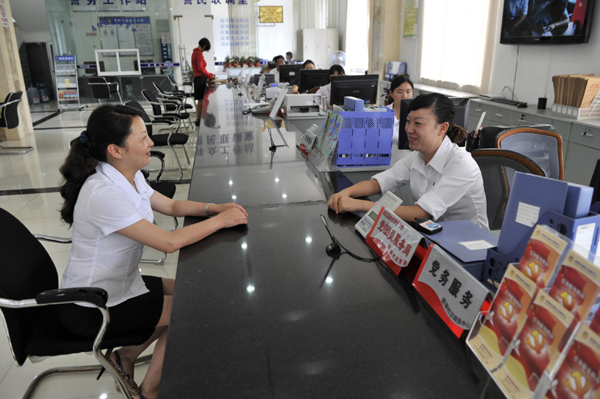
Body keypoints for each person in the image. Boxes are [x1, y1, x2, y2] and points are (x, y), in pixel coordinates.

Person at [57, 105, 248, 399]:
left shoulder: (128, 175)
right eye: (143, 137)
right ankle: (151, 391)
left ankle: (127, 354)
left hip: (119, 285)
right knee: (191, 308)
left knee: (193, 291)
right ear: (116, 150)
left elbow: (172, 206)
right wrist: (221, 221)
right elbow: (168, 242)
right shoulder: (103, 193)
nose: (151, 142)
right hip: (91, 306)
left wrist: (215, 208)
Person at [328, 93, 489, 229]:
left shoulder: (461, 164)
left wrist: (358, 205)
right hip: (433, 237)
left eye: (418, 123)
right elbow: (379, 183)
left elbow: (420, 214)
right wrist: (344, 193)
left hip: (466, 248)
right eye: (408, 121)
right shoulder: (418, 156)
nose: (409, 129)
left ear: (442, 128)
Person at [192, 38, 215, 127]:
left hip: (198, 78)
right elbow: (201, 68)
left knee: (200, 100)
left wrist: (208, 75)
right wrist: (209, 75)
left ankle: (198, 119)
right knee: (201, 100)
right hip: (200, 78)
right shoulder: (198, 54)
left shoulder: (195, 52)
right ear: (204, 46)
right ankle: (199, 119)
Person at [386, 75, 414, 146]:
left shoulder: (416, 115)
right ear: (391, 93)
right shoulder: (383, 113)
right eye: (400, 92)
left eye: (408, 92)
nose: (404, 96)